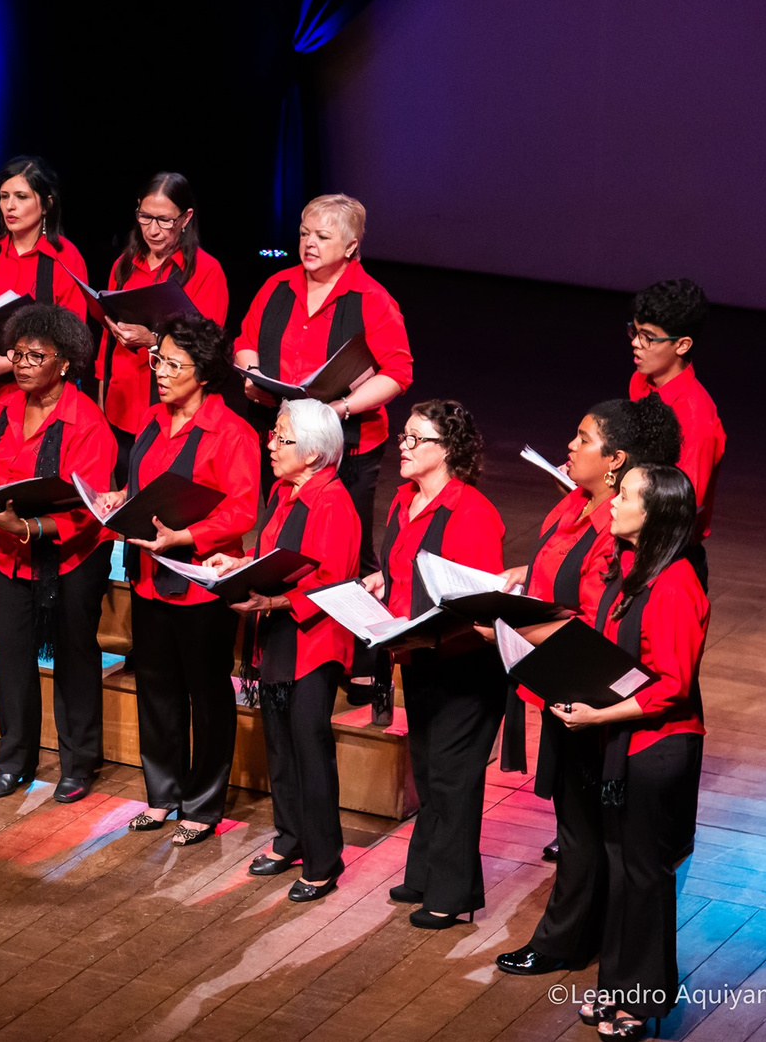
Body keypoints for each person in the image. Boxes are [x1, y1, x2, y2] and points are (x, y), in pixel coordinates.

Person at [494, 397, 681, 974]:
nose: (569, 447)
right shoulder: (575, 502)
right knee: (576, 823)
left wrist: (512, 622)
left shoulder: (618, 525)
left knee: (585, 827)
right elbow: (554, 575)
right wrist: (518, 583)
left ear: (616, 459)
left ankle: (563, 943)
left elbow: (599, 615)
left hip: (588, 688)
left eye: (582, 439)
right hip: (556, 675)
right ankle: (582, 935)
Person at [547, 465, 706, 1039]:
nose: (611, 503)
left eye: (625, 496)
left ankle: (641, 1001)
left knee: (643, 874)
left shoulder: (676, 582)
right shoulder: (628, 571)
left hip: (658, 748)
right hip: (622, 743)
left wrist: (596, 716)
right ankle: (615, 986)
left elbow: (672, 685)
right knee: (620, 867)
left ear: (654, 513)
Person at [99, 315, 260, 845]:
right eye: (157, 360)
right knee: (156, 690)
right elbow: (141, 483)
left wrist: (186, 536)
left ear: (205, 373)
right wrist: (119, 498)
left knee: (207, 695)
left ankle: (203, 803)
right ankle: (162, 794)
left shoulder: (231, 432)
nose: (160, 372)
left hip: (199, 584)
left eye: (172, 364)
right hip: (148, 578)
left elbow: (241, 512)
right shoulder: (150, 419)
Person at [206, 399, 359, 898]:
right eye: (273, 434)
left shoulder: (333, 502)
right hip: (275, 637)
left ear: (314, 454)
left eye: (282, 438)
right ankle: (290, 837)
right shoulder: (284, 492)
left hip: (312, 644)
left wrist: (271, 599)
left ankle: (323, 859)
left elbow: (332, 581)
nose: (270, 444)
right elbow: (272, 557)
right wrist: (238, 565)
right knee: (279, 744)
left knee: (308, 750)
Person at [363, 400, 505, 928]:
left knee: (453, 777)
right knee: (428, 769)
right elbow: (403, 571)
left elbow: (478, 599)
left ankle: (452, 893)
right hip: (418, 655)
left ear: (447, 451)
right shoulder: (404, 500)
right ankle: (425, 873)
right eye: (403, 436)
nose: (402, 445)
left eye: (414, 439)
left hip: (466, 667)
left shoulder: (472, 514)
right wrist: (384, 586)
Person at [0, 305, 115, 803]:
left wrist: (29, 527)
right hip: (9, 553)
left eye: (37, 355)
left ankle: (77, 764)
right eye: (19, 354)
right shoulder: (6, 406)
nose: (24, 363)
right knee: (11, 656)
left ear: (66, 363)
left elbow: (90, 510)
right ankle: (15, 761)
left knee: (74, 659)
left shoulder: (88, 422)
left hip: (71, 557)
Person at [236, 194, 412, 585]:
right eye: (304, 234)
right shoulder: (277, 286)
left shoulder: (372, 300)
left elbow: (398, 372)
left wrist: (340, 408)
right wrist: (252, 375)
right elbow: (246, 339)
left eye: (322, 236)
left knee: (345, 549)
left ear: (351, 246)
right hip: (284, 440)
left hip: (347, 444)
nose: (309, 244)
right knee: (283, 533)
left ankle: (354, 632)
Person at [97, 173, 229, 485]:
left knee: (159, 502)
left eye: (165, 220)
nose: (153, 230)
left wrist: (152, 339)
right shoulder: (124, 264)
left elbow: (209, 350)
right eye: (145, 217)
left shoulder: (206, 271)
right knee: (124, 497)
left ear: (186, 218)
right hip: (123, 403)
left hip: (174, 409)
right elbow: (107, 338)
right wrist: (102, 396)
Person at [0, 156, 90, 426]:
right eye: (4, 196)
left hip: (41, 397)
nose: (10, 206)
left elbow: (72, 338)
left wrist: (10, 363)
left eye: (21, 196)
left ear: (46, 204)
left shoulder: (64, 258)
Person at [626, 279, 725, 587]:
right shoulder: (640, 382)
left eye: (648, 337)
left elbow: (683, 510)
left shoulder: (695, 420)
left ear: (682, 344)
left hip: (669, 560)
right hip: (631, 538)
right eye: (635, 331)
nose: (636, 343)